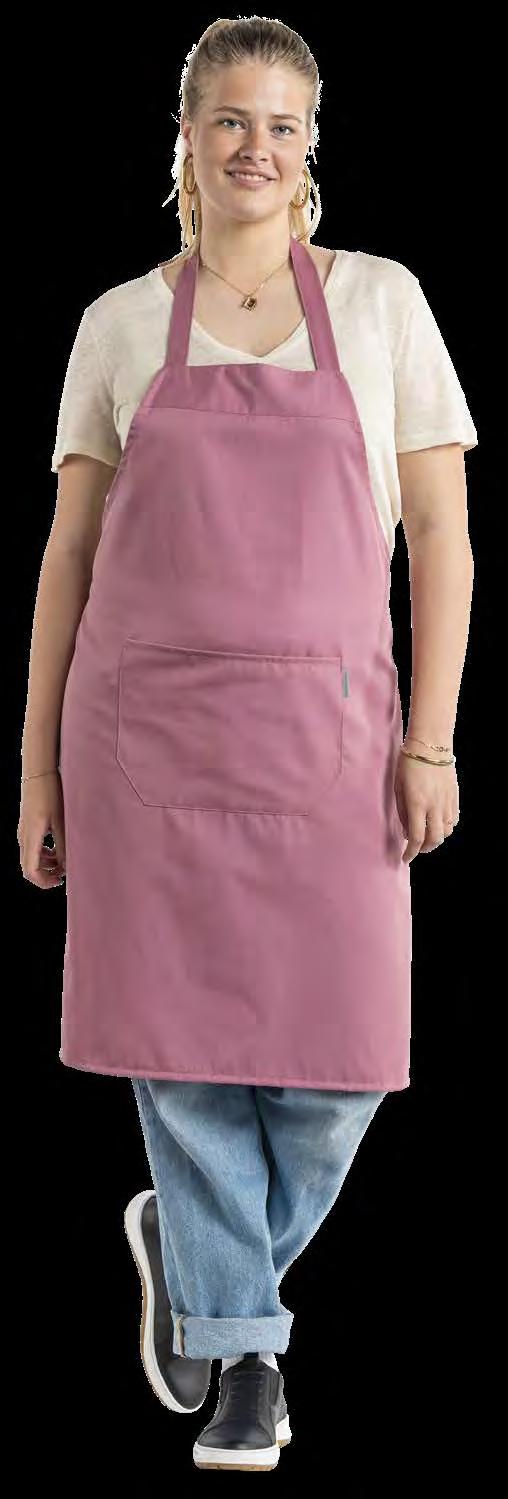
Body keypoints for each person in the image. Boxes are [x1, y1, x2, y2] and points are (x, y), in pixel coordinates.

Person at [18, 16, 477, 1474]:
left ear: (312, 147)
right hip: (146, 740)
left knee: (341, 1071)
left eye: (281, 125)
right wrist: (36, 769)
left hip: (333, 736)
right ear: (184, 140)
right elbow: (67, 556)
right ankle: (249, 1362)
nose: (254, 148)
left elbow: (445, 539)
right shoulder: (119, 325)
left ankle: (202, 1255)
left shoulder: (384, 303)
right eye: (228, 120)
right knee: (187, 1059)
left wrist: (431, 742)